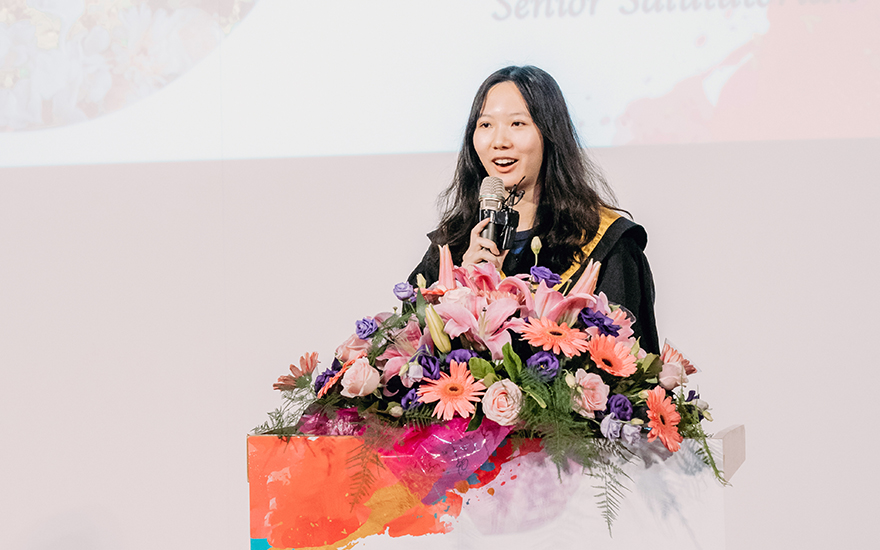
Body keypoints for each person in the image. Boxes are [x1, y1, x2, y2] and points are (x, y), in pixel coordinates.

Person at [408, 66, 659, 354]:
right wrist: (459, 287)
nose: (499, 142)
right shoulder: (452, 246)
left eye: (517, 124)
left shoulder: (605, 244)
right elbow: (408, 346)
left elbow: (631, 362)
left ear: (550, 135)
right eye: (486, 125)